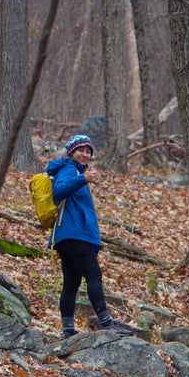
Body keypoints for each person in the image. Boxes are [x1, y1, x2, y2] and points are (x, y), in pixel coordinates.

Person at [47, 134, 132, 338]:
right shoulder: (69, 168)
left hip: (68, 236)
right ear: (71, 151)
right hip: (75, 235)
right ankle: (106, 323)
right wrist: (82, 178)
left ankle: (68, 330)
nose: (85, 154)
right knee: (94, 275)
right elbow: (58, 191)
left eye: (88, 151)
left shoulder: (73, 169)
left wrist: (82, 177)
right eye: (81, 150)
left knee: (71, 283)